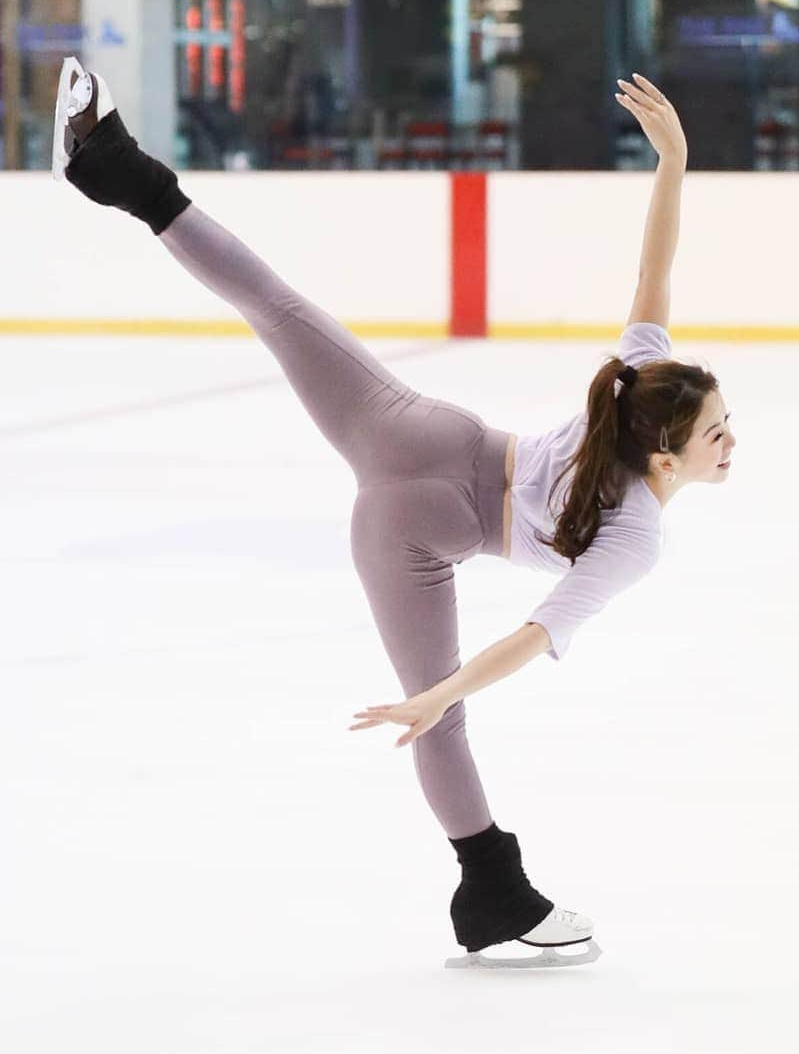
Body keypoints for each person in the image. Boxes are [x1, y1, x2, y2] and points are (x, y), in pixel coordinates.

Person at [54, 59, 735, 969]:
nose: (732, 441)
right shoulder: (638, 534)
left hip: (427, 435)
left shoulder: (635, 386)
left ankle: (112, 164)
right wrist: (437, 695)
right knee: (439, 724)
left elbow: (655, 272)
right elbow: (534, 637)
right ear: (666, 455)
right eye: (719, 432)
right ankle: (494, 891)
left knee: (280, 307)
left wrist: (673, 165)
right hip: (414, 530)